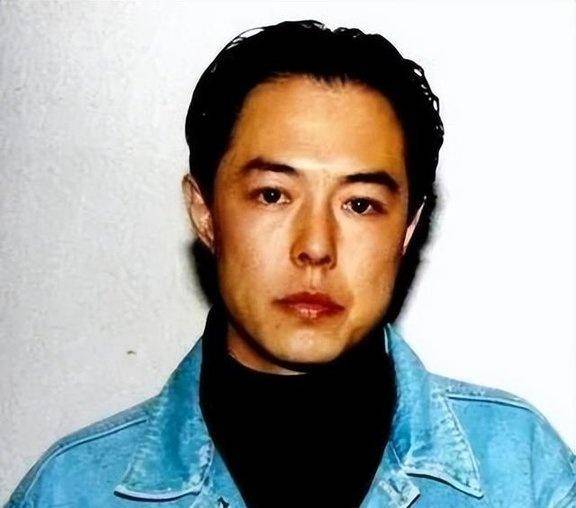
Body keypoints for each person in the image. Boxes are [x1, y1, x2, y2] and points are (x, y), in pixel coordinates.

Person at [7, 20, 575, 508]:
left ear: (407, 229)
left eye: (360, 204)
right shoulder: (71, 490)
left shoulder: (522, 472)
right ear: (204, 212)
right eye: (273, 195)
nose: (316, 247)